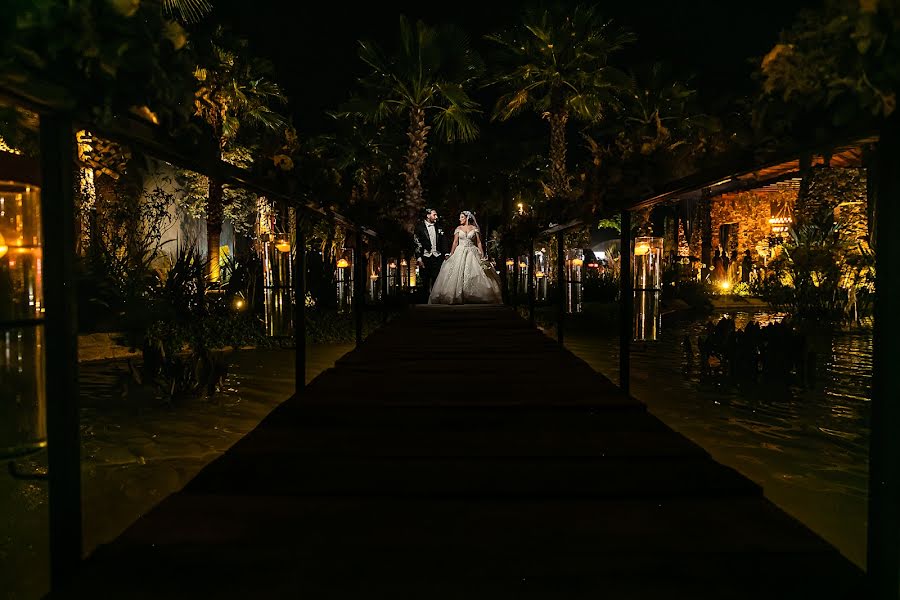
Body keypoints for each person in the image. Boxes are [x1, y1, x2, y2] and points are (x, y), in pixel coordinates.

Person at [429, 211, 502, 305]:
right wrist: (451, 254)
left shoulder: (474, 229)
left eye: (462, 217)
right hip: (460, 251)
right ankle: (456, 295)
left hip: (472, 251)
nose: (460, 219)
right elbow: (455, 242)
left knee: (475, 271)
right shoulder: (458, 228)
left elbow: (479, 242)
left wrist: (482, 254)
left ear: (467, 218)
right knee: (456, 272)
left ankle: (474, 295)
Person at [413, 208, 449, 301]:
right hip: (425, 257)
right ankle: (424, 301)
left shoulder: (439, 227)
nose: (436, 217)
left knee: (436, 279)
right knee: (424, 279)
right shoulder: (419, 227)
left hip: (437, 257)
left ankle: (435, 300)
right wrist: (419, 258)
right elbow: (417, 243)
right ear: (428, 216)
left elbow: (444, 241)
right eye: (434, 215)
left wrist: (446, 253)